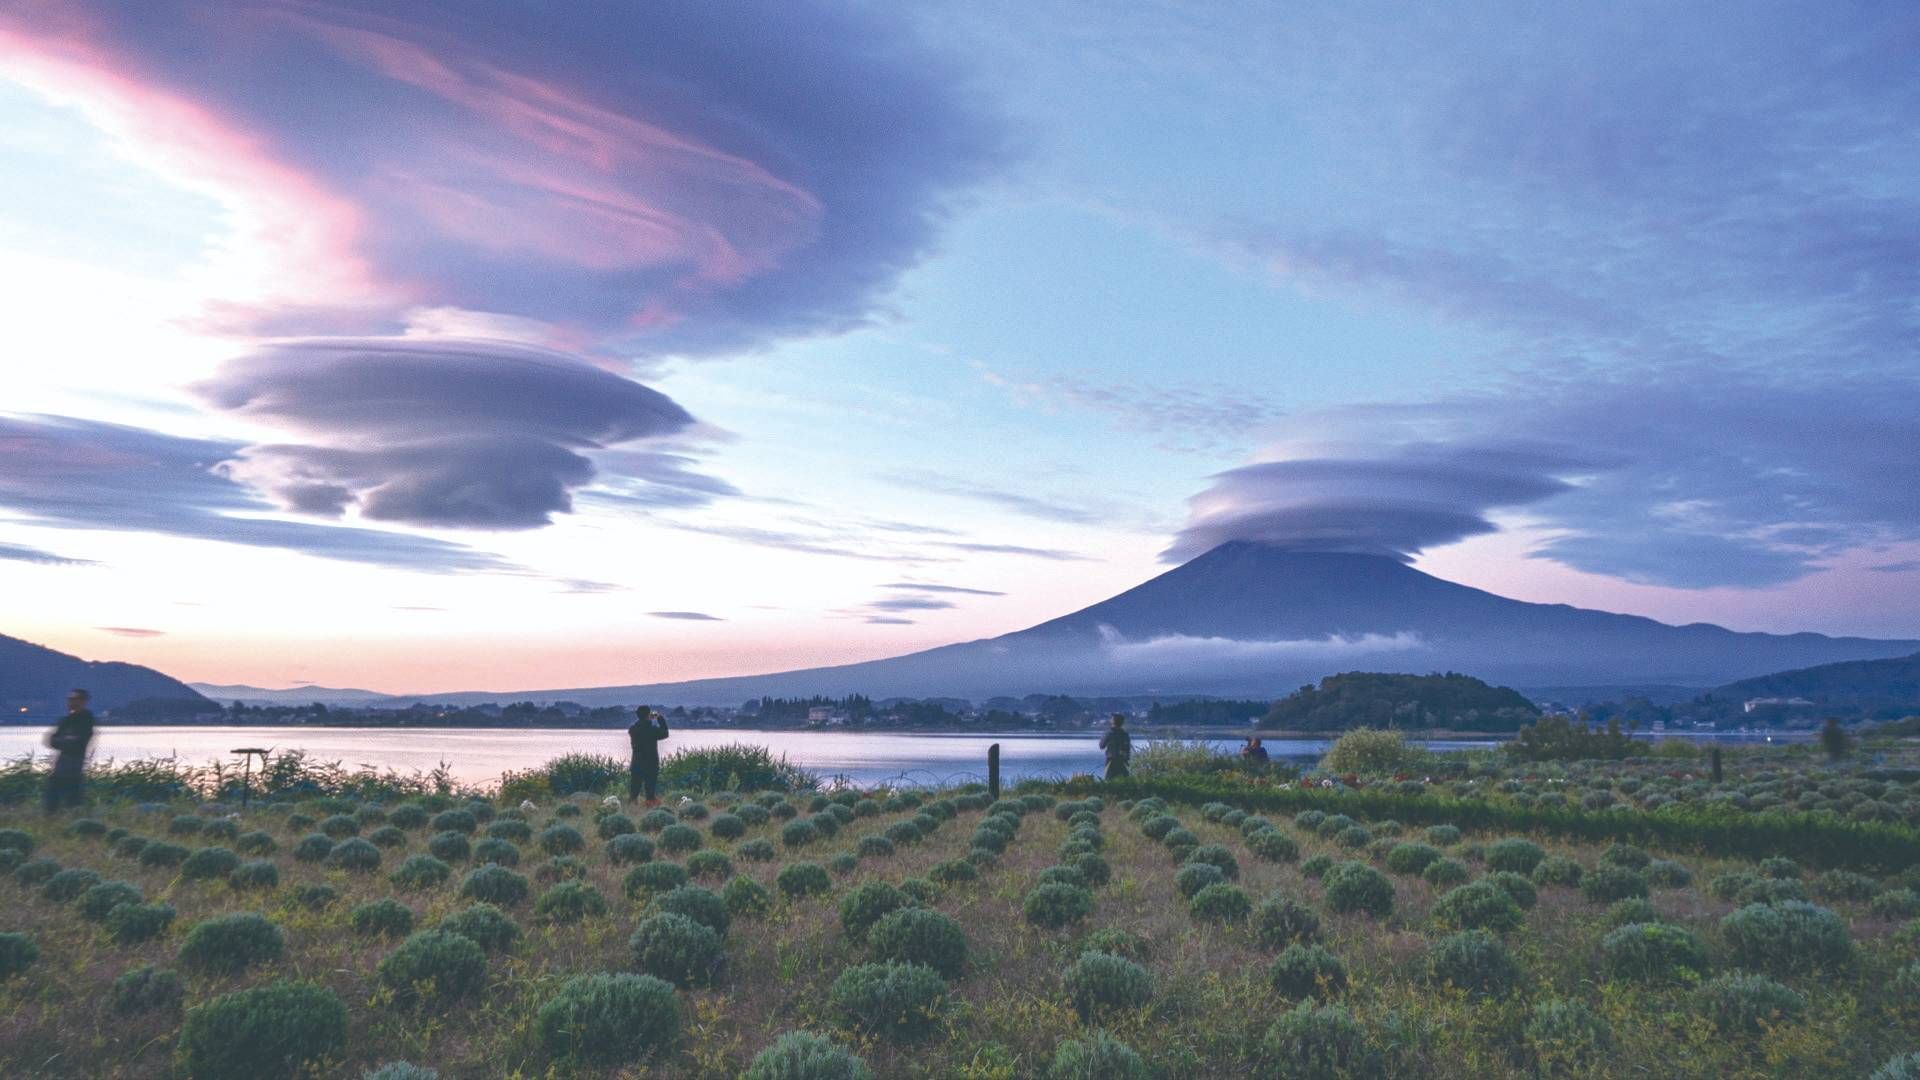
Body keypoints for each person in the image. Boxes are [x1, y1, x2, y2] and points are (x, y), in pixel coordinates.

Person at [44, 688, 95, 813]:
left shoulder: (86, 719)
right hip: (60, 766)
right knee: (51, 801)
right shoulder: (65, 720)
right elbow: (51, 741)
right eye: (69, 699)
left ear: (83, 701)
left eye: (74, 699)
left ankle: (78, 824)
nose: (70, 702)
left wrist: (64, 740)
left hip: (74, 766)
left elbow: (79, 742)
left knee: (73, 801)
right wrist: (68, 739)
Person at [628, 705, 670, 805]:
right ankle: (649, 806)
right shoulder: (652, 730)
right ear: (648, 715)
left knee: (634, 790)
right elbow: (665, 733)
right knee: (650, 792)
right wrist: (659, 718)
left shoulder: (633, 729)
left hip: (636, 763)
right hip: (651, 763)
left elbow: (639, 725)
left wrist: (646, 719)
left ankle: (630, 808)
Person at [1098, 713, 1132, 781]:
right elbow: (1127, 749)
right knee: (1125, 781)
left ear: (1113, 721)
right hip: (1122, 761)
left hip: (1111, 761)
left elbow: (1101, 746)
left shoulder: (1109, 733)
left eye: (1111, 719)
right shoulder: (1125, 734)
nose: (1110, 720)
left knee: (1108, 781)